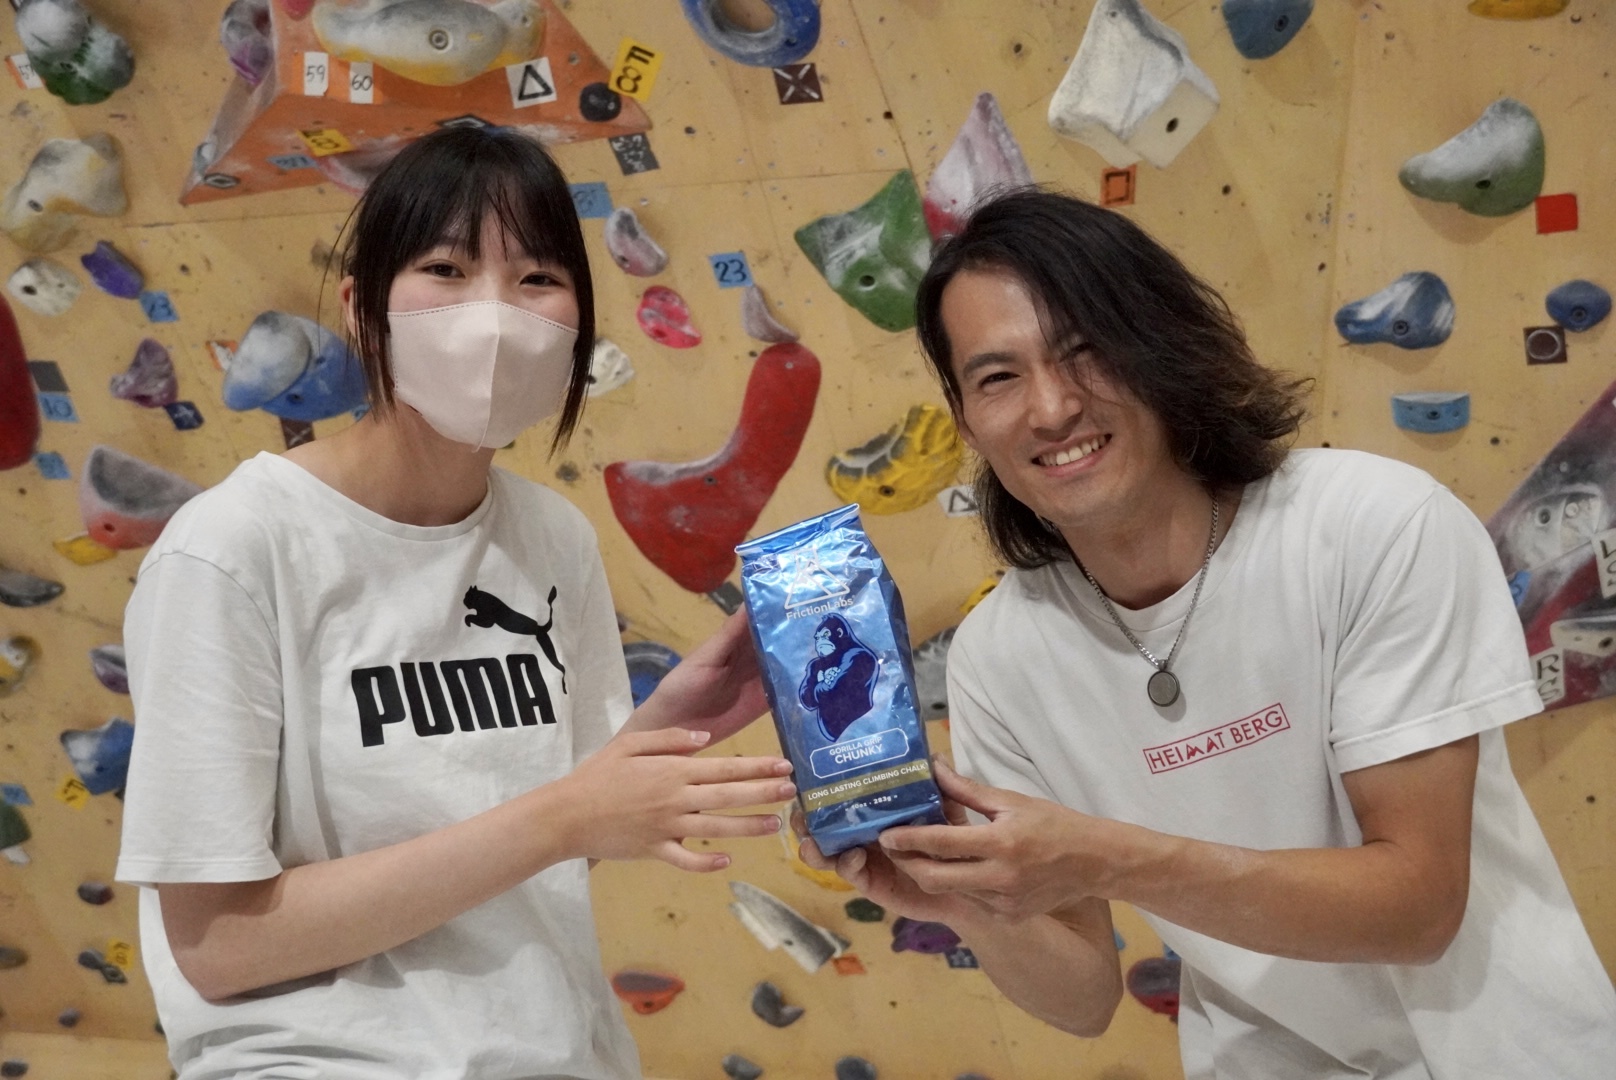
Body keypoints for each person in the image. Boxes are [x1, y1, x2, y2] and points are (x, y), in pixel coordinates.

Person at [802, 189, 1616, 1077]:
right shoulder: (999, 658)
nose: (1052, 408)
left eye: (1086, 351)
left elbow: (1418, 910)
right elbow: (1082, 1000)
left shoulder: (1369, 526)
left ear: (1160, 348)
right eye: (999, 378)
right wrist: (963, 900)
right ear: (966, 418)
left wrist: (1107, 859)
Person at [115, 127, 794, 1080]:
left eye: (536, 279)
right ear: (361, 310)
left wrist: (653, 739)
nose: (495, 316)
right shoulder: (231, 550)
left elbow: (533, 854)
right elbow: (221, 946)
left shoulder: (552, 536)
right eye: (446, 269)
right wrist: (566, 816)